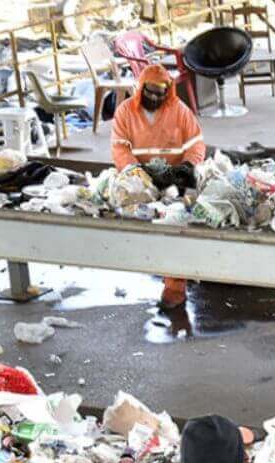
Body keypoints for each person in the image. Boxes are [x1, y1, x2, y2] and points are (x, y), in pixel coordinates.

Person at [112, 65, 206, 310]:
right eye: (150, 92)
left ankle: (175, 286)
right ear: (141, 89)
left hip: (175, 177)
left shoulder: (180, 111)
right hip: (140, 177)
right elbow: (120, 148)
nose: (155, 98)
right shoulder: (124, 112)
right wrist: (134, 171)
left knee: (175, 226)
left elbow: (196, 145)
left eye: (160, 93)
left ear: (169, 91)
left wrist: (187, 166)